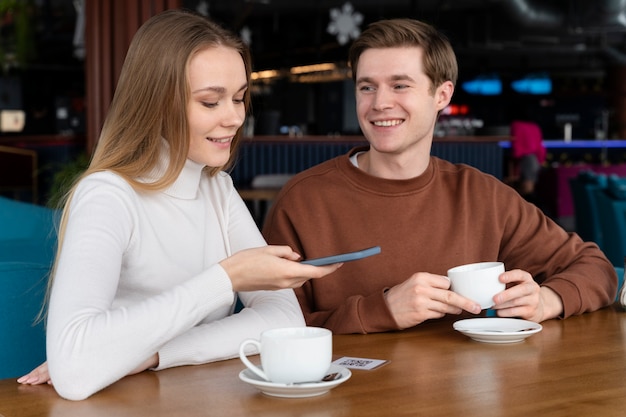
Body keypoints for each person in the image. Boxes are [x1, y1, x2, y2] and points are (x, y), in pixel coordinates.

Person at [17, 9, 341, 401]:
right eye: (210, 102)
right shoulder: (108, 195)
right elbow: (74, 371)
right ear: (156, 103)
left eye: (239, 98)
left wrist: (153, 354)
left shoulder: (218, 189)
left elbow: (283, 318)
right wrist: (225, 278)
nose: (235, 117)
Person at [262, 18, 617, 335]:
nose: (380, 103)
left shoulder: (482, 195)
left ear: (442, 95)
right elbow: (269, 327)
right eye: (367, 87)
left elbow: (595, 267)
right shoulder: (303, 201)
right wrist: (381, 310)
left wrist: (546, 300)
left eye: (400, 85)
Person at [508, 106, 546, 201]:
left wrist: (514, 160)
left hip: (525, 159)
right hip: (535, 159)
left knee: (526, 189)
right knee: (530, 187)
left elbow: (516, 145)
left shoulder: (516, 125)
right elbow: (540, 147)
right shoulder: (535, 127)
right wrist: (541, 161)